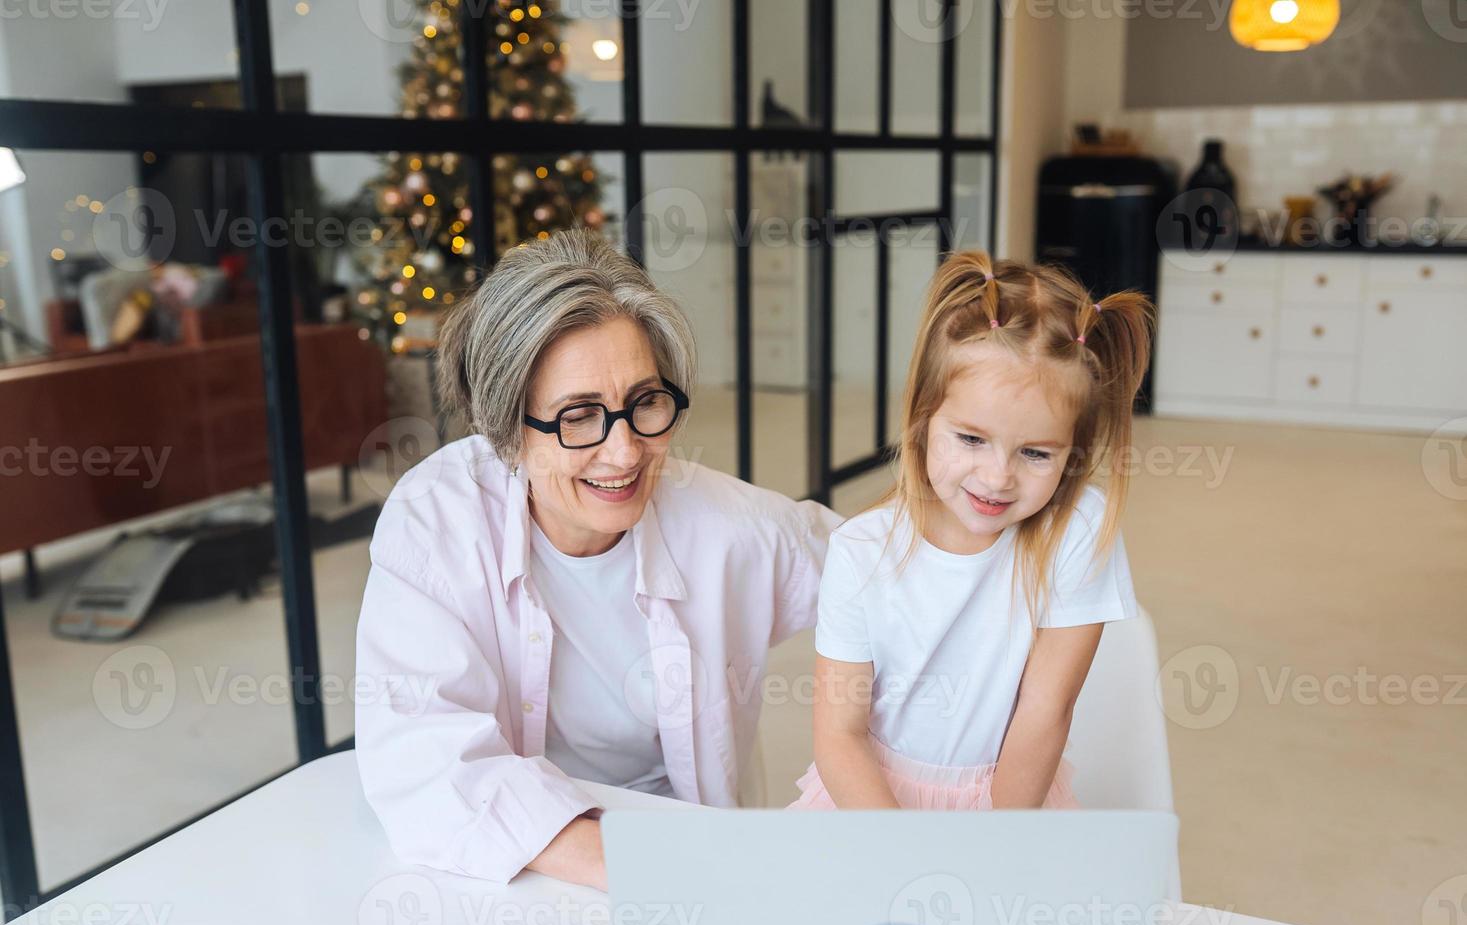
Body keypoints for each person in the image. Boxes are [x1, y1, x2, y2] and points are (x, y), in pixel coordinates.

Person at [356, 229, 838, 889]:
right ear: (504, 429)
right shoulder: (435, 525)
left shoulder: (724, 523)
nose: (625, 453)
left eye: (644, 403)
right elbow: (423, 756)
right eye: (578, 416)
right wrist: (654, 869)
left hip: (684, 848)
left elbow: (889, 575)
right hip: (523, 864)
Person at [791, 249, 1152, 811]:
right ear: (923, 416)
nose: (997, 477)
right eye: (971, 439)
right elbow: (839, 735)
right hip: (871, 805)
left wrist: (988, 850)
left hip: (1009, 802)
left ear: (1072, 454)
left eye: (1035, 452)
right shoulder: (861, 551)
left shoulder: (1078, 530)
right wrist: (907, 857)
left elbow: (1045, 710)